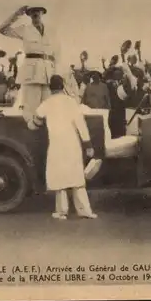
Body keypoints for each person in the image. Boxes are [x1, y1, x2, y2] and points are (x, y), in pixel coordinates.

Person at [28, 75, 97, 220]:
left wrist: (33, 123)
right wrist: (88, 145)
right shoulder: (71, 102)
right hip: (72, 143)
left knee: (60, 178)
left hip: (56, 143)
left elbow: (36, 119)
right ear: (63, 86)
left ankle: (61, 211)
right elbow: (81, 125)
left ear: (49, 88)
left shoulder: (46, 103)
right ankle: (85, 211)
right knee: (76, 177)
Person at [0, 5, 60, 123]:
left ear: (42, 13)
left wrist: (57, 72)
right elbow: (2, 29)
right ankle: (32, 129)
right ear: (29, 15)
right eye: (32, 12)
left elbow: (56, 52)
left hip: (48, 73)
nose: (35, 13)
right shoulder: (25, 29)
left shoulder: (50, 31)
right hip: (32, 73)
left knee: (47, 108)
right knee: (32, 106)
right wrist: (16, 14)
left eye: (38, 11)